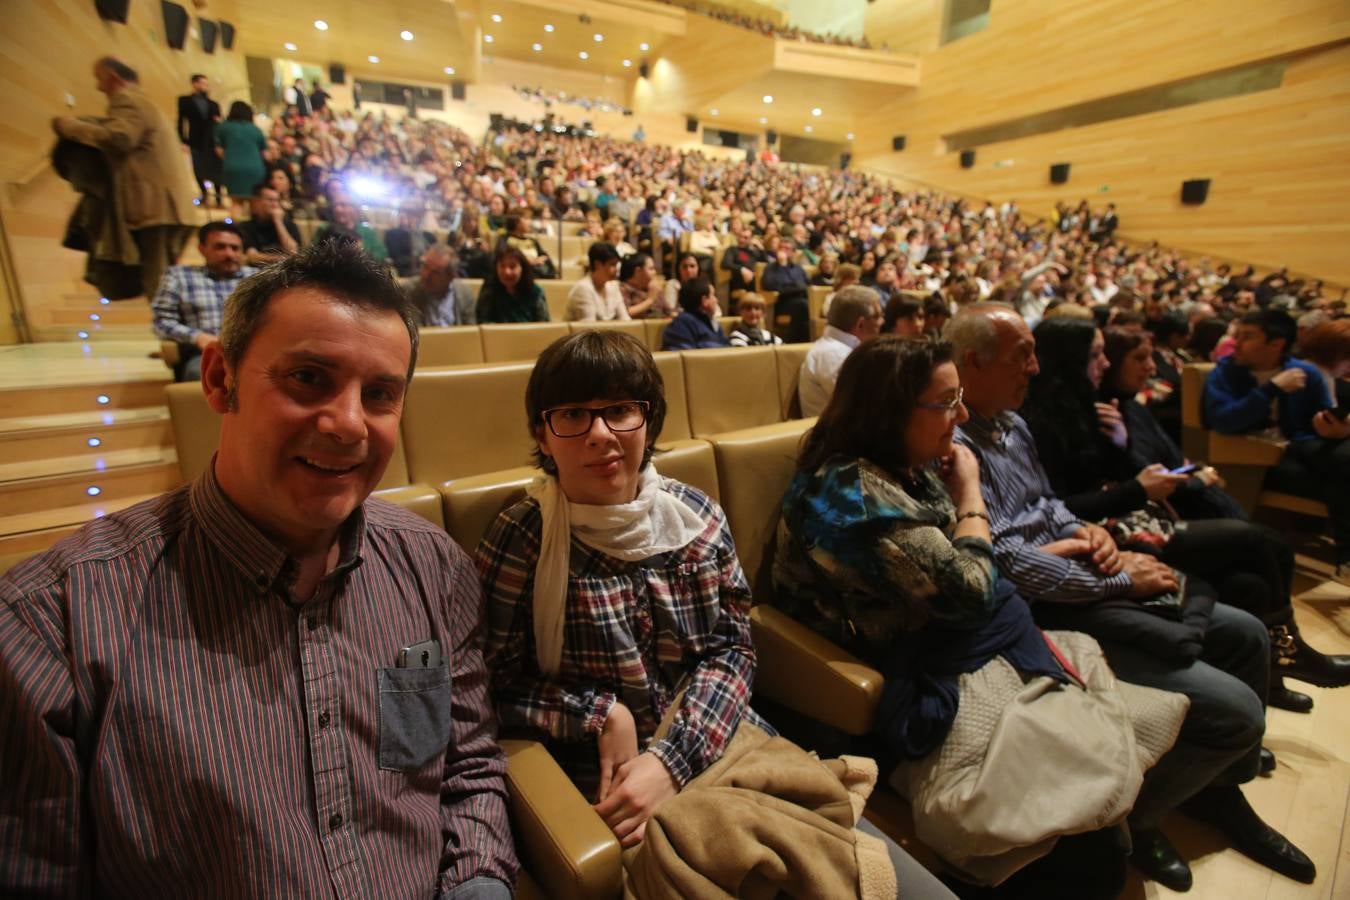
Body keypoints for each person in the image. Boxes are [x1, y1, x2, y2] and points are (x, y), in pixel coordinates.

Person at [1, 242, 518, 896]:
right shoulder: (49, 627)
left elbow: (463, 769)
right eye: (309, 378)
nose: (348, 424)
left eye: (380, 393)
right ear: (219, 378)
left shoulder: (433, 567)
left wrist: (477, 886)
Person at [477, 330, 945, 897]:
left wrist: (671, 760)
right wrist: (599, 713)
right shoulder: (522, 539)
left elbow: (732, 649)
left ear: (648, 423)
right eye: (573, 414)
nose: (601, 435)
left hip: (718, 741)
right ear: (542, 436)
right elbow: (491, 687)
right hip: (605, 783)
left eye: (621, 411)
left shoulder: (694, 515)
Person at [947, 303, 1314, 891]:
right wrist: (1121, 578)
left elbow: (1048, 505)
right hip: (1051, 609)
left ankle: (1220, 792)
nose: (1036, 369)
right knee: (1237, 710)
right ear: (973, 362)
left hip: (1084, 574)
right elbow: (1008, 562)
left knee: (1246, 633)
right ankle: (1141, 819)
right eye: (1023, 356)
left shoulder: (1013, 425)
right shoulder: (952, 444)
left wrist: (1089, 531)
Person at [776, 336, 1151, 898]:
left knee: (1102, 788)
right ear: (891, 411)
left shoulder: (908, 462)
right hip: (900, 666)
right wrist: (972, 490)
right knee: (1087, 850)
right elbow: (973, 587)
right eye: (948, 402)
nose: (964, 414)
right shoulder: (851, 495)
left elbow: (970, 565)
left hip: (953, 639)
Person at [1023, 318, 1350, 713]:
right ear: (1070, 360)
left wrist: (1121, 448)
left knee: (1249, 583)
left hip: (1129, 517)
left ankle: (1269, 683)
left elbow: (1116, 473)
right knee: (1261, 540)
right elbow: (1065, 503)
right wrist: (1137, 487)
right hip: (1110, 533)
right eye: (1096, 355)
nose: (1105, 364)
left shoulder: (1090, 406)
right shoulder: (1040, 420)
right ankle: (1288, 650)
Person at [1203, 308, 1350, 576]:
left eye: (1247, 336)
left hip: (1303, 450)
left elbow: (1324, 421)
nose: (1236, 343)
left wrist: (1337, 430)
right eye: (1238, 335)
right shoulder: (1224, 374)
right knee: (1340, 472)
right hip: (1253, 460)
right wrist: (1271, 389)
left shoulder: (1306, 373)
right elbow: (1223, 420)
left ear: (1276, 343)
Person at [52, 57, 202, 301]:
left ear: (113, 77)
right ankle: (172, 332)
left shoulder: (128, 100)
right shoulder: (146, 103)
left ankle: (169, 335)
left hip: (153, 206)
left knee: (158, 281)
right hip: (165, 207)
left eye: (99, 79)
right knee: (162, 278)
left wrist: (70, 127)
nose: (98, 87)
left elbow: (119, 138)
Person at [151, 221, 256, 381]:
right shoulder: (179, 276)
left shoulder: (256, 278)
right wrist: (198, 337)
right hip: (204, 353)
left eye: (235, 248)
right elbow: (161, 322)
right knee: (201, 374)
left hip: (252, 350)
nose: (229, 254)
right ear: (202, 249)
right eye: (220, 247)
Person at [798, 286, 883, 417]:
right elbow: (864, 405)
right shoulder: (832, 354)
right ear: (860, 324)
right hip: (835, 435)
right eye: (877, 316)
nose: (882, 321)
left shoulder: (843, 349)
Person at [401, 244, 476, 327]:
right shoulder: (409, 292)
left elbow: (470, 333)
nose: (426, 275)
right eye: (425, 267)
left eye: (435, 273)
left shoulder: (464, 293)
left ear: (450, 277)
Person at [176, 73, 221, 207]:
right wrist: (183, 140)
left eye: (206, 84)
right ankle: (204, 193)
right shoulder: (185, 101)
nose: (205, 86)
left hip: (212, 140)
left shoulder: (213, 104)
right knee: (197, 168)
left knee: (215, 168)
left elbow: (218, 123)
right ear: (194, 84)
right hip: (195, 139)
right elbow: (181, 121)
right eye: (202, 83)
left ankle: (218, 196)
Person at [215, 101, 267, 215]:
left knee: (236, 203)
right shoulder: (255, 129)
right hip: (255, 168)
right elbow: (264, 152)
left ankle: (235, 229)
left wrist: (230, 158)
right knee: (255, 203)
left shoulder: (223, 127)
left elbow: (219, 151)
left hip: (232, 168)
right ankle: (253, 230)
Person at [476, 246, 549, 323]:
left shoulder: (536, 292)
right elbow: (482, 320)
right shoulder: (489, 289)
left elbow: (543, 324)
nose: (507, 272)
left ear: (523, 269)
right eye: (502, 266)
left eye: (512, 266)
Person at [314, 193, 389, 262]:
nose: (337, 209)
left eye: (343, 205)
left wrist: (363, 254)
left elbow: (381, 253)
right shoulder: (324, 228)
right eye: (335, 206)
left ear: (354, 209)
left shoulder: (367, 231)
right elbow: (314, 252)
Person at [237, 185, 301, 265]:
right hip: (258, 271)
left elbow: (293, 252)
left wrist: (278, 222)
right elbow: (253, 257)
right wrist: (284, 258)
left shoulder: (289, 225)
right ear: (257, 202)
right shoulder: (246, 227)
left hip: (287, 271)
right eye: (270, 200)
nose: (275, 205)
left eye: (277, 200)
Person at [661, 277, 729, 351]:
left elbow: (727, 348)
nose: (716, 300)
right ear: (704, 301)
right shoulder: (681, 323)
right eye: (713, 295)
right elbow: (681, 355)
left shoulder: (711, 321)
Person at [761, 241, 811, 343]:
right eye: (781, 248)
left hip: (801, 299)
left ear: (793, 253)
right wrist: (782, 267)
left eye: (787, 248)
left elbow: (807, 285)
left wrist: (793, 287)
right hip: (781, 303)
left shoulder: (798, 268)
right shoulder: (770, 267)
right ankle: (795, 341)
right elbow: (769, 285)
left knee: (805, 305)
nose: (783, 250)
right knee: (802, 305)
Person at [566, 242, 628, 322]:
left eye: (616, 265)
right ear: (597, 264)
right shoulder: (583, 289)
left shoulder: (613, 286)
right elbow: (589, 328)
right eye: (612, 265)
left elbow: (625, 320)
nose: (616, 270)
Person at [617, 253, 669, 319]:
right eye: (651, 269)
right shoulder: (623, 289)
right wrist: (650, 300)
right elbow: (625, 313)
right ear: (638, 271)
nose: (655, 272)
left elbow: (669, 312)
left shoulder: (653, 287)